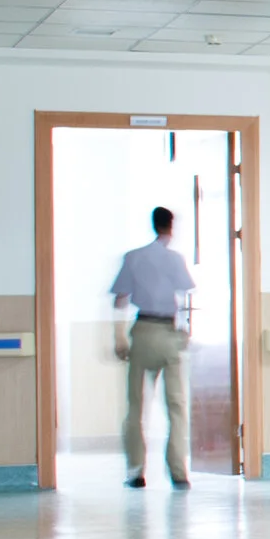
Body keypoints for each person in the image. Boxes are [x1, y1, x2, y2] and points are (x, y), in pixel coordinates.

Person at [112, 207, 195, 489]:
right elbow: (184, 298)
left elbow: (120, 301)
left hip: (143, 332)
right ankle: (178, 472)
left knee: (135, 406)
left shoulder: (133, 258)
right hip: (169, 334)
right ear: (170, 228)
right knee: (177, 405)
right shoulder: (175, 260)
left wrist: (119, 338)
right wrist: (186, 332)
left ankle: (135, 471)